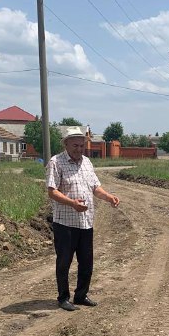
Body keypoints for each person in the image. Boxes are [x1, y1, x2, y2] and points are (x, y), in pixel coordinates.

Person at [46, 127, 120, 311]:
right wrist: (72, 203)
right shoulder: (56, 162)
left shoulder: (87, 162)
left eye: (82, 145)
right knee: (64, 262)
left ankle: (81, 295)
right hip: (65, 223)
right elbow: (52, 191)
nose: (79, 149)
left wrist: (109, 197)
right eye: (75, 145)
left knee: (86, 262)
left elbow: (95, 187)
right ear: (66, 144)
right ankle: (63, 298)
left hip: (86, 222)